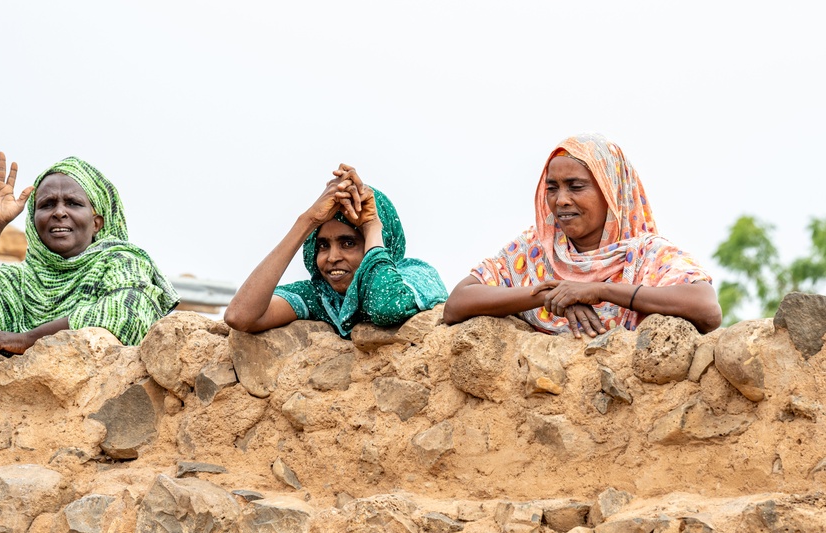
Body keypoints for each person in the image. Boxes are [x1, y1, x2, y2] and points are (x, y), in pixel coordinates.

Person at [443, 134, 722, 336]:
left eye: (575, 187)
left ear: (611, 192)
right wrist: (551, 296)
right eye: (552, 188)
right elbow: (457, 304)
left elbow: (707, 308)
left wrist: (600, 290)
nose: (561, 200)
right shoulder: (536, 249)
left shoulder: (645, 255)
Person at [0, 152, 179, 362]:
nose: (59, 212)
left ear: (96, 223)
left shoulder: (123, 261)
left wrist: (28, 340)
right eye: (47, 204)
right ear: (33, 221)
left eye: (73, 203)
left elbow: (124, 316)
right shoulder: (17, 281)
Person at [223, 164, 447, 338]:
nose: (332, 257)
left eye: (348, 243)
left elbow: (386, 306)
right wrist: (307, 221)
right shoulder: (324, 298)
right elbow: (239, 316)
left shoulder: (417, 276)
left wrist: (371, 226)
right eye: (322, 245)